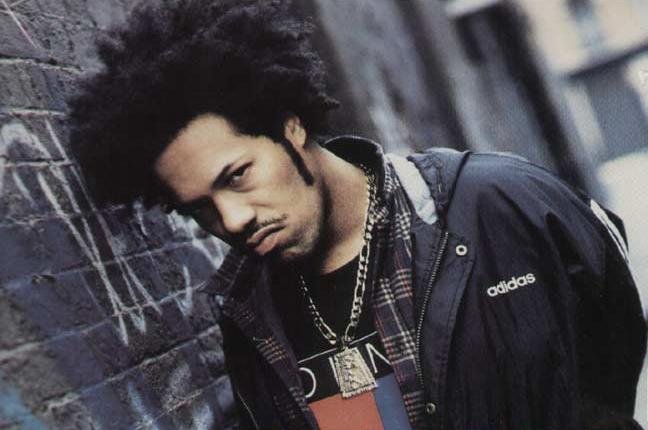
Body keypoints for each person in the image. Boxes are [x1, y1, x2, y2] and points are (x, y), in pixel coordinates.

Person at [69, 0, 646, 429]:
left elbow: (614, 341)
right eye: (200, 208)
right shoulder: (251, 315)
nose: (232, 218)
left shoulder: (497, 202)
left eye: (237, 175)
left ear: (290, 126)